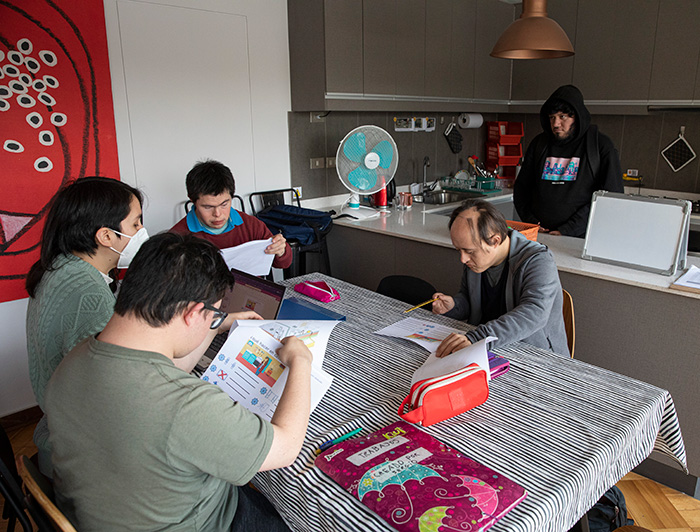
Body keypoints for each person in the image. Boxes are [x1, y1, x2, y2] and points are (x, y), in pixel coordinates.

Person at [45, 232, 312, 531]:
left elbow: (162, 367)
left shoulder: (75, 358)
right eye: (211, 314)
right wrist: (301, 361)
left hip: (101, 512)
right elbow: (285, 447)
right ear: (192, 312)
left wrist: (215, 324)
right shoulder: (186, 405)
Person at [25, 177, 147, 476]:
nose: (142, 232)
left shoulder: (62, 267)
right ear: (106, 236)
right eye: (135, 224)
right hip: (83, 457)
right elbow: (116, 397)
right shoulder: (87, 292)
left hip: (59, 430)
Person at [432, 199, 569, 358]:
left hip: (536, 357)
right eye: (459, 250)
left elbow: (534, 313)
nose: (463, 259)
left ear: (495, 240)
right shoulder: (476, 260)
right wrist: (453, 306)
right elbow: (469, 300)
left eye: (469, 251)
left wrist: (478, 337)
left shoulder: (538, 260)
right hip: (490, 350)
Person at [513, 84, 624, 237]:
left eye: (562, 117)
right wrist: (531, 222)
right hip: (540, 235)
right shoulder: (539, 144)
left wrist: (568, 230)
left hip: (580, 238)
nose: (556, 124)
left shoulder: (600, 146)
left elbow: (610, 197)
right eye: (552, 118)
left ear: (577, 117)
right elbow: (521, 189)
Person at [170, 159, 293, 268]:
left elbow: (283, 263)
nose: (217, 214)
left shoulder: (251, 225)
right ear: (192, 200)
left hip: (249, 292)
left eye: (224, 204)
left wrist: (280, 250)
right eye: (208, 207)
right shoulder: (177, 237)